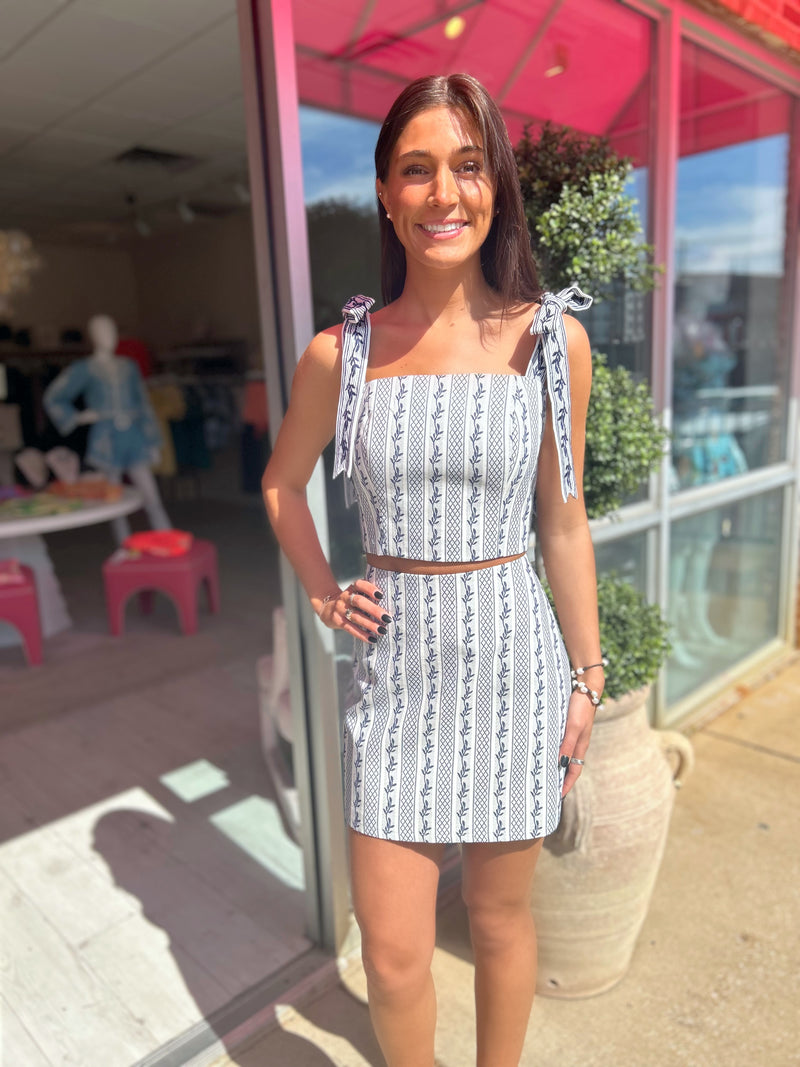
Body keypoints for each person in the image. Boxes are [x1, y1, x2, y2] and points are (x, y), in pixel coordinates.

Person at [263, 73, 604, 1067]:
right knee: (394, 955)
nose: (443, 193)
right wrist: (323, 589)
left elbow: (564, 524)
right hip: (395, 676)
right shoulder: (341, 354)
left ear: (496, 186)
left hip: (513, 666)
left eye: (467, 165)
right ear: (385, 192)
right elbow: (282, 484)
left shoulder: (552, 343)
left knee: (498, 920)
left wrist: (587, 675)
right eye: (417, 169)